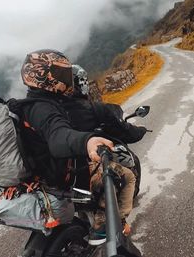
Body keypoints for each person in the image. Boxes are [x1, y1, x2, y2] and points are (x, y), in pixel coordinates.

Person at [0, 49, 114, 235]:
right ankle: (104, 232)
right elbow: (58, 136)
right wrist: (87, 141)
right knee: (122, 175)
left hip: (36, 176)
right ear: (44, 76)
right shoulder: (44, 109)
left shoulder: (26, 106)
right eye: (60, 73)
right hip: (60, 178)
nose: (65, 79)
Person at [61, 64, 148, 245]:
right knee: (129, 177)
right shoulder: (94, 109)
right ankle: (113, 224)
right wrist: (140, 131)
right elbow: (126, 132)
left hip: (62, 172)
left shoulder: (54, 112)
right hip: (85, 170)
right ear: (82, 84)